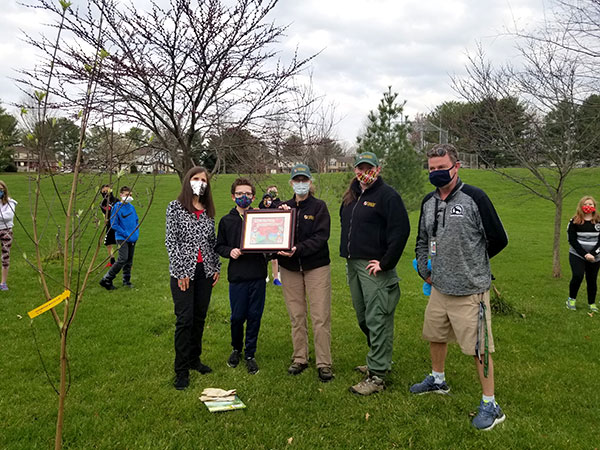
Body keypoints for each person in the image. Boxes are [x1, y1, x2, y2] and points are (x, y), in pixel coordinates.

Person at [412, 143, 508, 431]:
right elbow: (421, 239)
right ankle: (437, 380)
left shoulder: (475, 198)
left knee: (479, 347)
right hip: (439, 287)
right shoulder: (429, 202)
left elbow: (499, 238)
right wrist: (424, 268)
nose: (437, 173)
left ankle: (491, 404)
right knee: (435, 335)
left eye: (442, 168)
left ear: (457, 166)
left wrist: (473, 263)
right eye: (432, 169)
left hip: (470, 289)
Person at [339, 151, 410, 395]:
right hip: (353, 265)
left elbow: (401, 231)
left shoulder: (387, 196)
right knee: (363, 317)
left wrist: (385, 262)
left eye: (368, 168)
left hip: (375, 268)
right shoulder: (352, 196)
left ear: (377, 169)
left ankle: (377, 375)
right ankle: (376, 358)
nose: (363, 172)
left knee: (378, 318)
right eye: (360, 168)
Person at [165, 167, 221, 390]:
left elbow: (211, 241)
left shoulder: (207, 210)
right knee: (185, 319)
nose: (199, 183)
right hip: (183, 272)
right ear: (188, 181)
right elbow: (171, 241)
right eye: (196, 179)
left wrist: (216, 266)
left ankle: (194, 359)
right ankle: (181, 369)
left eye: (203, 180)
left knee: (199, 317)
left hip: (204, 271)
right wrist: (181, 271)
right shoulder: (175, 208)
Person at [278, 164, 334, 382]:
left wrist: (298, 249)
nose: (301, 183)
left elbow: (321, 237)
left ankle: (324, 362)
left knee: (320, 316)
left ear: (310, 182)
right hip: (290, 268)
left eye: (304, 180)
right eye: (296, 180)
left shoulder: (319, 207)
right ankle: (300, 357)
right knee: (296, 315)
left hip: (316, 267)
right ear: (291, 183)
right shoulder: (283, 207)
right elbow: (272, 231)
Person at [216, 178, 267, 375]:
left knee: (255, 316)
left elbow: (270, 239)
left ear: (253, 197)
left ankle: (250, 353)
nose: (243, 197)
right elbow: (219, 245)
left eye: (247, 194)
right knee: (237, 317)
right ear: (232, 197)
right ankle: (236, 348)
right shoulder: (226, 221)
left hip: (257, 274)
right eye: (239, 194)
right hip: (237, 276)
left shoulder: (261, 218)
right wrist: (230, 251)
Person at [99, 186, 139, 290]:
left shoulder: (132, 207)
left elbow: (136, 220)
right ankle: (107, 279)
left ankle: (126, 280)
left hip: (133, 237)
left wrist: (135, 233)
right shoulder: (117, 207)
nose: (129, 197)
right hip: (122, 237)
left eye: (130, 195)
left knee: (129, 260)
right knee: (122, 259)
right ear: (121, 195)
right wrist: (125, 233)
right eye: (126, 195)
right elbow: (114, 224)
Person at [566, 196, 600, 313]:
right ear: (581, 206)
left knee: (592, 279)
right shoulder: (574, 221)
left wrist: (593, 254)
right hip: (577, 254)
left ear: (594, 207)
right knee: (578, 276)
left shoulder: (598, 221)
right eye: (586, 204)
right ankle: (571, 300)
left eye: (591, 204)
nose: (588, 206)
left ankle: (592, 303)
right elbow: (572, 240)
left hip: (595, 256)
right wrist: (585, 254)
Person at [259, 185, 282, 286]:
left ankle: (276, 277)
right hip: (263, 234)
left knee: (274, 258)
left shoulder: (279, 205)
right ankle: (265, 275)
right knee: (263, 258)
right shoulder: (261, 206)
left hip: (273, 234)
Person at [0, 180, 17, 291]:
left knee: (5, 256)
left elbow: (8, 216)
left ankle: (3, 283)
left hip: (6, 231)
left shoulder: (11, 203)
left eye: (1, 189)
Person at [100, 184, 117, 267]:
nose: (106, 193)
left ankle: (124, 260)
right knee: (108, 243)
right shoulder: (103, 204)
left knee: (121, 242)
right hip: (110, 225)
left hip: (117, 225)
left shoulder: (116, 201)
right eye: (104, 192)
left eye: (107, 191)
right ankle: (112, 260)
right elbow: (106, 213)